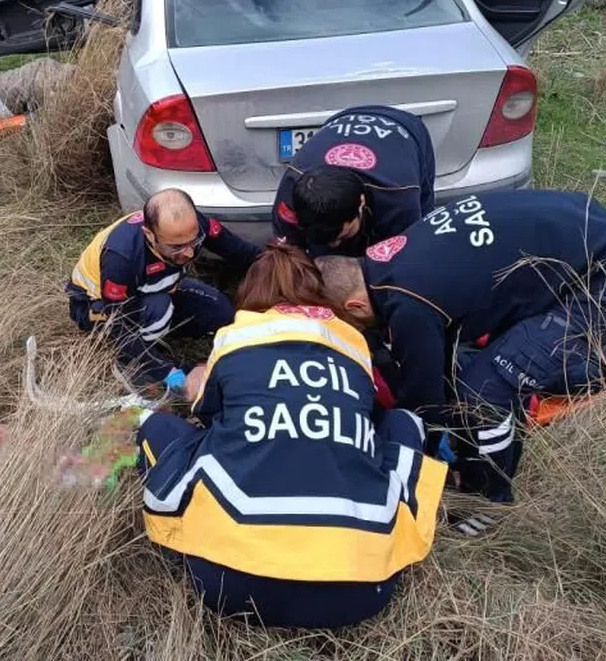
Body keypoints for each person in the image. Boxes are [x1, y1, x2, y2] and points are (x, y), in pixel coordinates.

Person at [137, 244, 445, 628]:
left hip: (227, 583)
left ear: (251, 294)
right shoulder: (353, 343)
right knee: (403, 423)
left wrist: (203, 379)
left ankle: (188, 540)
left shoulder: (235, 337)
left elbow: (206, 411)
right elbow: (372, 414)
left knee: (158, 426)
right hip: (365, 590)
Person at [319, 189, 606, 502]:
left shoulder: (406, 305)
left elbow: (425, 405)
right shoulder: (387, 263)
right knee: (496, 363)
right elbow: (438, 371)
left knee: (484, 390)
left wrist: (433, 458)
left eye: (352, 326)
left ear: (356, 307)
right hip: (586, 240)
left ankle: (489, 500)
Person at [67, 188, 262, 390]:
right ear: (150, 235)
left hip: (158, 286)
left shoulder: (192, 226)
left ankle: (162, 328)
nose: (188, 253)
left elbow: (241, 251)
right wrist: (171, 374)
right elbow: (121, 328)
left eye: (193, 243)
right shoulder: (121, 259)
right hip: (97, 307)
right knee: (157, 309)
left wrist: (282, 273)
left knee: (221, 311)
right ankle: (138, 366)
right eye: (176, 247)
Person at [272, 105, 435, 257]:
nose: (334, 245)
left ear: (361, 203)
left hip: (407, 129)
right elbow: (287, 253)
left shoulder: (399, 198)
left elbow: (401, 263)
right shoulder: (292, 187)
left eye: (343, 235)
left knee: (420, 239)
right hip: (341, 120)